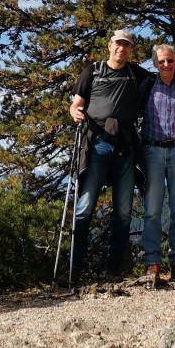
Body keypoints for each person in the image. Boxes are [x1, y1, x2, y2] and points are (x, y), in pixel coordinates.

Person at [68, 28, 152, 281]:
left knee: (123, 210)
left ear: (131, 49)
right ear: (110, 45)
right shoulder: (92, 71)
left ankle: (114, 269)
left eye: (127, 45)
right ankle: (74, 268)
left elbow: (163, 77)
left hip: (125, 144)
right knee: (85, 206)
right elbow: (76, 103)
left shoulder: (136, 73)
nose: (122, 49)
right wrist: (74, 111)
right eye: (118, 44)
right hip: (98, 142)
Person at [137, 43, 175, 284]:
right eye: (161, 61)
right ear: (154, 63)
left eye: (170, 60)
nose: (165, 65)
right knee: (152, 210)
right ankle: (152, 262)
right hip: (152, 150)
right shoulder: (147, 85)